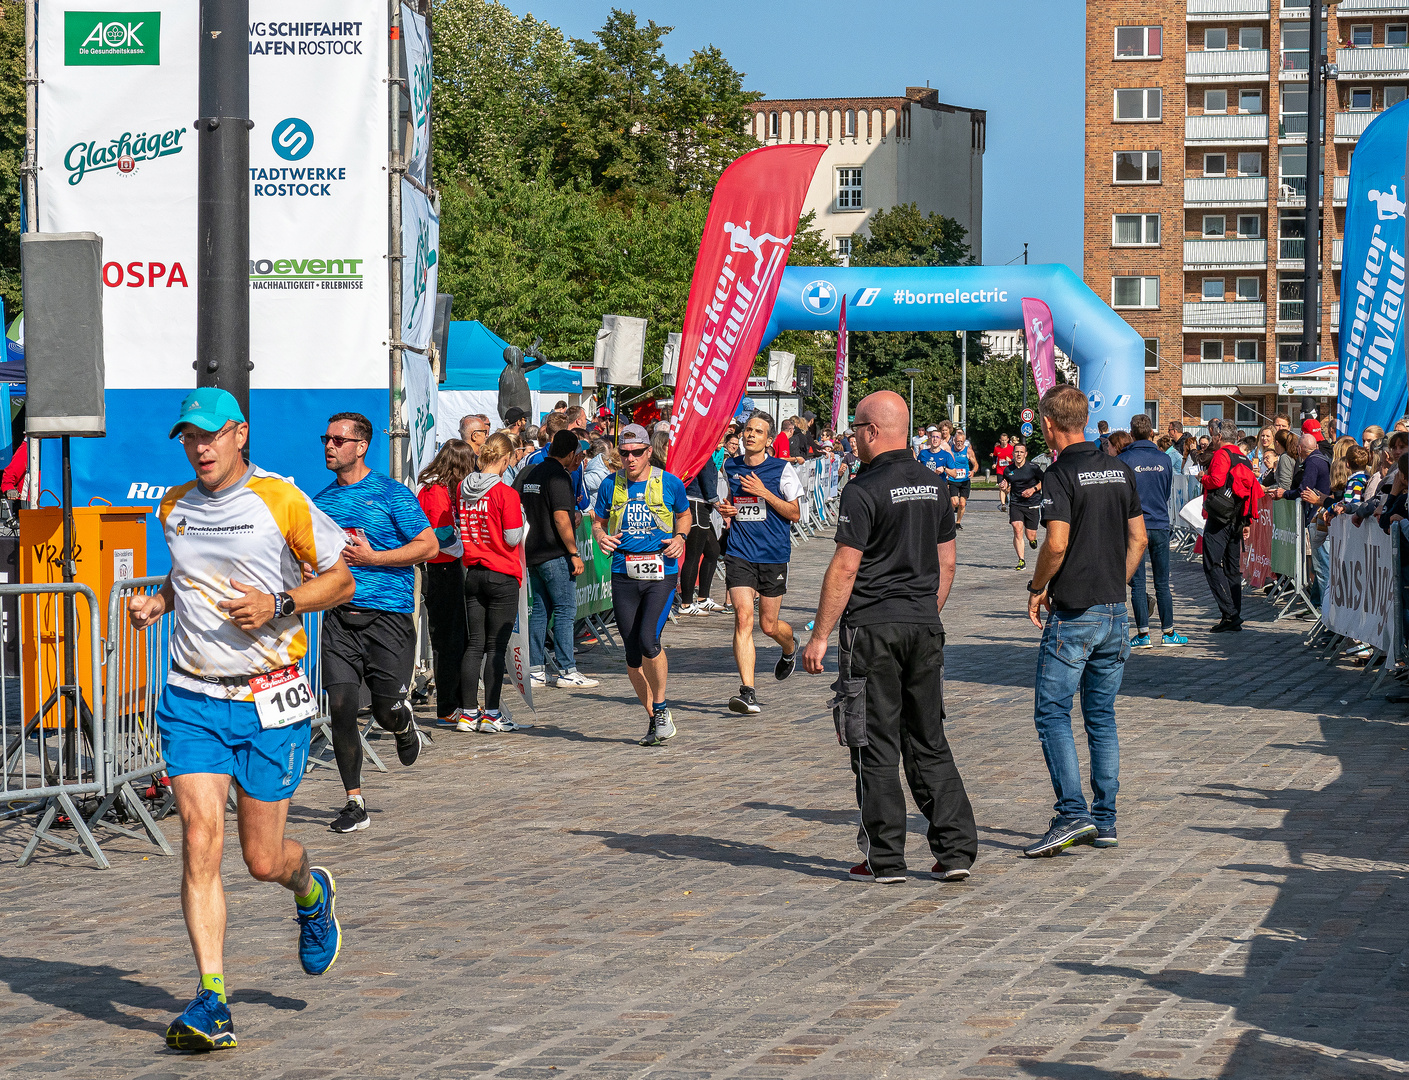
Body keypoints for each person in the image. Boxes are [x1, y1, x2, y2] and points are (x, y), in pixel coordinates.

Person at [130, 388, 355, 1051]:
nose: (198, 448)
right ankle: (212, 1000)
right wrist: (158, 603)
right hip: (191, 697)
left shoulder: (280, 500)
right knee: (201, 841)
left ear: (238, 434)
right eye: (188, 438)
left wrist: (281, 603)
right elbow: (189, 579)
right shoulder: (173, 506)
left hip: (269, 699)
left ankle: (310, 891)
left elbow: (339, 581)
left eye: (209, 435)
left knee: (261, 860)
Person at [801, 390, 976, 884]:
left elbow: (845, 566)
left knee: (873, 742)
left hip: (871, 631)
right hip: (924, 625)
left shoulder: (862, 488)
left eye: (856, 427)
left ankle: (886, 858)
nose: (852, 437)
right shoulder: (935, 484)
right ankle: (956, 851)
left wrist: (820, 635)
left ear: (872, 431)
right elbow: (947, 563)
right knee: (928, 739)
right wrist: (921, 611)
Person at [1023, 385, 1146, 858]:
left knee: (1052, 712)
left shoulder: (1058, 474)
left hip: (1074, 611)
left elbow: (1055, 543)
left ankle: (1073, 813)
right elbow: (1137, 537)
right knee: (1101, 716)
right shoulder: (1119, 469)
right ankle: (1105, 819)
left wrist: (1037, 589)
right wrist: (1118, 579)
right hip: (1115, 610)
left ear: (1050, 425)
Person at [313, 414, 437, 835]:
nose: (329, 445)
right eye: (326, 439)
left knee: (383, 709)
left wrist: (374, 558)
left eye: (338, 439)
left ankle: (403, 725)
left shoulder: (391, 493)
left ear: (361, 446)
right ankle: (354, 802)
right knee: (342, 708)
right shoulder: (321, 503)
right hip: (340, 620)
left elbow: (429, 545)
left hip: (388, 618)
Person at [590, 424, 691, 746]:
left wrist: (680, 536)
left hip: (661, 572)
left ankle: (661, 707)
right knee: (632, 653)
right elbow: (597, 521)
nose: (630, 459)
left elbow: (684, 515)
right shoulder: (611, 484)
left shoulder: (668, 482)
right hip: (624, 572)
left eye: (636, 453)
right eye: (624, 453)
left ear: (649, 452)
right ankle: (654, 718)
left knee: (649, 640)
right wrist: (601, 537)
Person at [718, 412, 802, 715]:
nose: (751, 435)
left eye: (758, 432)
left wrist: (764, 493)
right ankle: (748, 692)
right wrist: (727, 508)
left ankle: (790, 646)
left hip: (773, 555)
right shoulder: (731, 465)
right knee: (743, 618)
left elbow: (795, 514)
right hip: (740, 552)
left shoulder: (783, 470)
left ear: (769, 440)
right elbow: (733, 500)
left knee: (768, 625)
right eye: (748, 430)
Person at [457, 432, 531, 731]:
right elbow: (513, 537)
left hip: (473, 572)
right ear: (503, 460)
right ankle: (490, 713)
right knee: (495, 647)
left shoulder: (464, 489)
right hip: (501, 572)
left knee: (474, 644)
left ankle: (466, 713)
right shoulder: (505, 493)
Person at [520, 428, 600, 690]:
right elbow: (560, 517)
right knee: (565, 611)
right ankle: (567, 669)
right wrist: (574, 553)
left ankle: (534, 670)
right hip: (555, 553)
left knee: (540, 611)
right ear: (569, 453)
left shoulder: (531, 471)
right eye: (576, 454)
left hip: (533, 552)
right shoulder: (559, 476)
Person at [416, 440, 475, 726]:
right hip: (440, 570)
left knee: (459, 638)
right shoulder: (434, 490)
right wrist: (466, 546)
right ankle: (447, 706)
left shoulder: (443, 488)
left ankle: (461, 701)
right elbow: (440, 536)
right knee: (447, 641)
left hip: (451, 568)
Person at [1118, 415, 1184, 648]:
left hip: (1134, 526)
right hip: (1159, 523)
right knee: (1162, 582)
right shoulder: (1164, 459)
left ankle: (1143, 634)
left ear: (1132, 433)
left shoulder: (1124, 458)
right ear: (1151, 433)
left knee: (1138, 584)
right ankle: (1169, 633)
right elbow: (1167, 491)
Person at [1200, 418, 1258, 632]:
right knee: (1233, 568)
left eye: (1213, 435)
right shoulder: (1243, 457)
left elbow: (1215, 481)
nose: (1212, 439)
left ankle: (1230, 613)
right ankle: (1234, 614)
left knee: (1212, 564)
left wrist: (1202, 478)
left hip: (1220, 516)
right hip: (1237, 516)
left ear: (1219, 436)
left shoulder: (1222, 455)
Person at [680, 446, 725, 616]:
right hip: (696, 503)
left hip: (702, 505)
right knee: (693, 555)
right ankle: (686, 603)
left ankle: (703, 598)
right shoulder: (702, 453)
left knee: (713, 550)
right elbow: (707, 483)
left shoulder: (707, 454)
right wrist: (718, 504)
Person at [1001, 443, 1044, 571]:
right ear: (1013, 454)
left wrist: (1033, 489)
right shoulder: (1008, 470)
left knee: (1030, 535)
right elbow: (1006, 483)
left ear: (1025, 454)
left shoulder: (1033, 468)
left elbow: (1045, 481)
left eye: (1021, 452)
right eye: (1016, 452)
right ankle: (1021, 560)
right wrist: (1004, 486)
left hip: (1032, 503)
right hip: (1016, 503)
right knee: (1017, 528)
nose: (1018, 454)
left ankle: (1033, 540)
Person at [943, 428, 978, 529]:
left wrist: (973, 471)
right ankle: (949, 520)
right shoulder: (950, 449)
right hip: (953, 479)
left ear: (964, 441)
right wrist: (947, 472)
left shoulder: (968, 451)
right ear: (954, 441)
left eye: (961, 442)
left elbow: (975, 464)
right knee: (954, 502)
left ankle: (957, 522)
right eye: (957, 441)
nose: (959, 443)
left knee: (962, 504)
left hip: (964, 480)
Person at [993, 433, 1014, 507]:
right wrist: (994, 464)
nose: (1004, 442)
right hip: (1000, 470)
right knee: (1001, 487)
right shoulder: (997, 448)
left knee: (1007, 489)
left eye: (1005, 440)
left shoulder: (1011, 448)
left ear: (1008, 440)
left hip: (1009, 470)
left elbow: (1016, 459)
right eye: (1002, 440)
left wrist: (1010, 459)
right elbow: (995, 457)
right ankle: (1003, 504)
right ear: (1000, 440)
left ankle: (1005, 496)